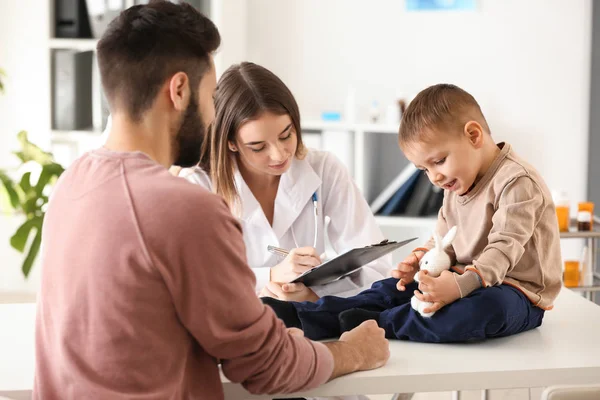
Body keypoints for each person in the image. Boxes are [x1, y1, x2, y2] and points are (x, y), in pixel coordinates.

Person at [32, 2, 390, 399]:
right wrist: (353, 352)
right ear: (180, 90)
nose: (210, 117)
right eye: (209, 96)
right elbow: (265, 364)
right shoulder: (183, 207)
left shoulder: (70, 186)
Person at [263, 83, 563, 343]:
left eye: (439, 161)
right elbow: (443, 241)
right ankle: (304, 315)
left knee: (479, 311)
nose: (433, 177)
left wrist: (459, 286)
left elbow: (503, 250)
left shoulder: (517, 182)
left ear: (473, 135)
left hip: (515, 293)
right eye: (424, 169)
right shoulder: (456, 183)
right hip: (460, 278)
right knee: (389, 288)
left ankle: (375, 323)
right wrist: (421, 260)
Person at [179, 62, 390, 302]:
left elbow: (376, 265)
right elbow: (193, 282)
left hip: (310, 322)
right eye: (258, 147)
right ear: (231, 143)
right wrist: (270, 276)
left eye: (286, 135)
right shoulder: (198, 186)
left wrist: (314, 293)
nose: (279, 155)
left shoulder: (324, 169)